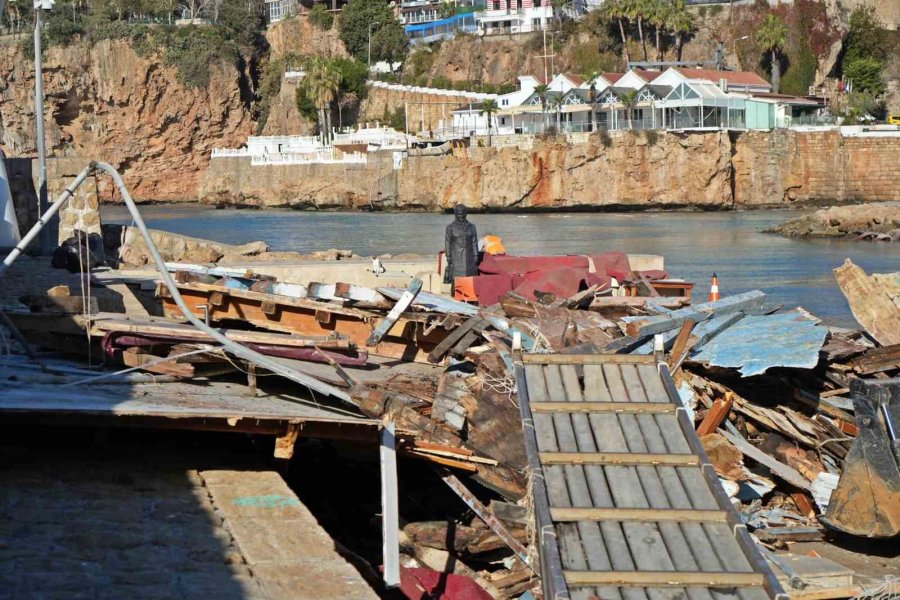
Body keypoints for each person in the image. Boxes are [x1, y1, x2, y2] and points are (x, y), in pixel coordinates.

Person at [443, 204, 478, 286]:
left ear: (466, 213)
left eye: (463, 213)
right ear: (455, 214)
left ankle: (469, 292)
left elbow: (474, 241)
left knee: (470, 275)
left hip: (469, 257)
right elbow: (447, 242)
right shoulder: (450, 227)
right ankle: (455, 292)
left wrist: (476, 255)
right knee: (457, 276)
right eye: (459, 214)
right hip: (456, 256)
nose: (461, 216)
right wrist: (448, 256)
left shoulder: (472, 227)